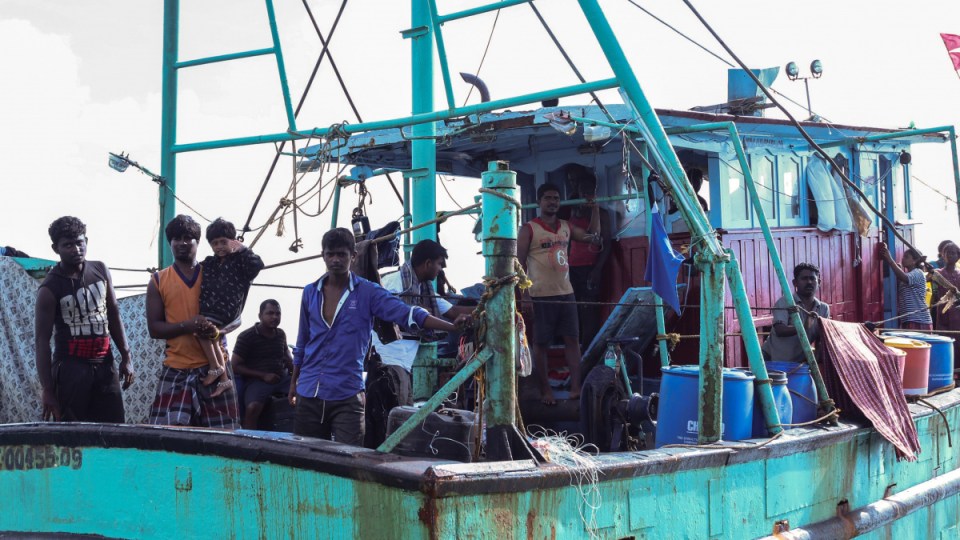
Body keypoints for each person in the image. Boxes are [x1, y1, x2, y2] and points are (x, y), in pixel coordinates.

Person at [290, 228, 464, 445]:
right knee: (305, 458)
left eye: (341, 255)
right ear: (322, 255)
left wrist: (450, 327)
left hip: (347, 394)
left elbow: (408, 313)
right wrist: (293, 383)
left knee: (348, 459)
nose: (335, 260)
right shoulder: (309, 292)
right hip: (309, 391)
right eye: (330, 254)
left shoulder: (368, 292)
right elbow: (302, 341)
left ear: (353, 256)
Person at [366, 239, 472, 447]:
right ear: (427, 263)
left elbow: (453, 312)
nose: (440, 269)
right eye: (439, 264)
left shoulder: (425, 292)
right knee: (390, 422)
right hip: (386, 363)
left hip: (404, 365)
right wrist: (453, 327)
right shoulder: (394, 284)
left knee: (400, 417)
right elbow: (412, 315)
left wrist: (491, 304)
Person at [34, 216, 134, 422]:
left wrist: (126, 356)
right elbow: (42, 342)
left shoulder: (100, 270)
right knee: (73, 436)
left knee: (114, 431)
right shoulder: (49, 288)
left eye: (79, 243)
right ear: (56, 249)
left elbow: (113, 313)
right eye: (68, 245)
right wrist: (48, 389)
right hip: (70, 369)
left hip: (105, 364)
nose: (76, 249)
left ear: (86, 241)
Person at [147, 215, 239, 428]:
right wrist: (187, 326)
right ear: (170, 243)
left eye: (189, 238)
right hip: (176, 368)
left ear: (198, 242)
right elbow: (154, 328)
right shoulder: (158, 281)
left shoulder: (215, 272)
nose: (182, 243)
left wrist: (216, 330)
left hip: (216, 367)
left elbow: (236, 318)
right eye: (177, 238)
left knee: (223, 440)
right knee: (166, 439)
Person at [517, 182, 600, 405]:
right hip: (540, 295)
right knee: (540, 344)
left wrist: (595, 208)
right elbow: (518, 263)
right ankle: (546, 391)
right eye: (548, 198)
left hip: (567, 293)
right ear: (539, 202)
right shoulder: (529, 229)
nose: (552, 202)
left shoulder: (566, 226)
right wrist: (525, 296)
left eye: (556, 198)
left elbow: (593, 237)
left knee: (572, 340)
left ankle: (575, 388)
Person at [196, 218, 264, 397]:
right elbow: (193, 270)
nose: (219, 247)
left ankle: (216, 367)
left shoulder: (240, 260)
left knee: (201, 330)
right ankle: (224, 378)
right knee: (213, 338)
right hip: (211, 309)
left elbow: (257, 265)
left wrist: (242, 249)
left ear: (232, 241)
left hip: (226, 310)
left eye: (223, 242)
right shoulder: (210, 263)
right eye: (215, 243)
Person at [563, 165, 612, 351]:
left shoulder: (603, 214)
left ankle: (587, 351)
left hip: (590, 267)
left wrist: (597, 270)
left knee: (589, 310)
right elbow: (567, 243)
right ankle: (577, 351)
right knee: (573, 310)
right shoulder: (572, 213)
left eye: (590, 192)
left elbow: (605, 243)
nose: (587, 195)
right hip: (572, 268)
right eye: (584, 191)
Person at [232, 299, 293, 430]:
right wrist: (264, 375)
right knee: (252, 408)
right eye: (270, 313)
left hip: (282, 379)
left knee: (307, 398)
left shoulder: (281, 334)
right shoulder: (246, 336)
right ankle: (249, 439)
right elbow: (235, 366)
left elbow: (288, 357)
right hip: (257, 381)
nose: (275, 317)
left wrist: (298, 376)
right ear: (260, 316)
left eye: (278, 314)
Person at [761, 263, 831, 362]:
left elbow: (822, 338)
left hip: (799, 363)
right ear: (795, 283)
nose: (809, 282)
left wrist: (816, 360)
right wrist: (803, 327)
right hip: (772, 360)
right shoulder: (785, 302)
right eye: (804, 279)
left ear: (818, 282)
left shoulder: (823, 308)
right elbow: (780, 330)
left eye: (812, 278)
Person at [879, 241, 933, 330]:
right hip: (909, 319)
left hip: (918, 320)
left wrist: (890, 260)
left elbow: (905, 278)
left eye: (906, 257)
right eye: (903, 256)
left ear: (915, 261)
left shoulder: (918, 273)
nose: (903, 259)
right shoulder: (910, 274)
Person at [933, 242, 960, 363]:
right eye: (947, 253)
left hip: (957, 314)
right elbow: (927, 277)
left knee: (958, 342)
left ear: (957, 256)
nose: (950, 255)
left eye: (953, 253)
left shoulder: (959, 274)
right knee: (944, 342)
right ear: (942, 256)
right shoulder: (938, 273)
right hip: (943, 313)